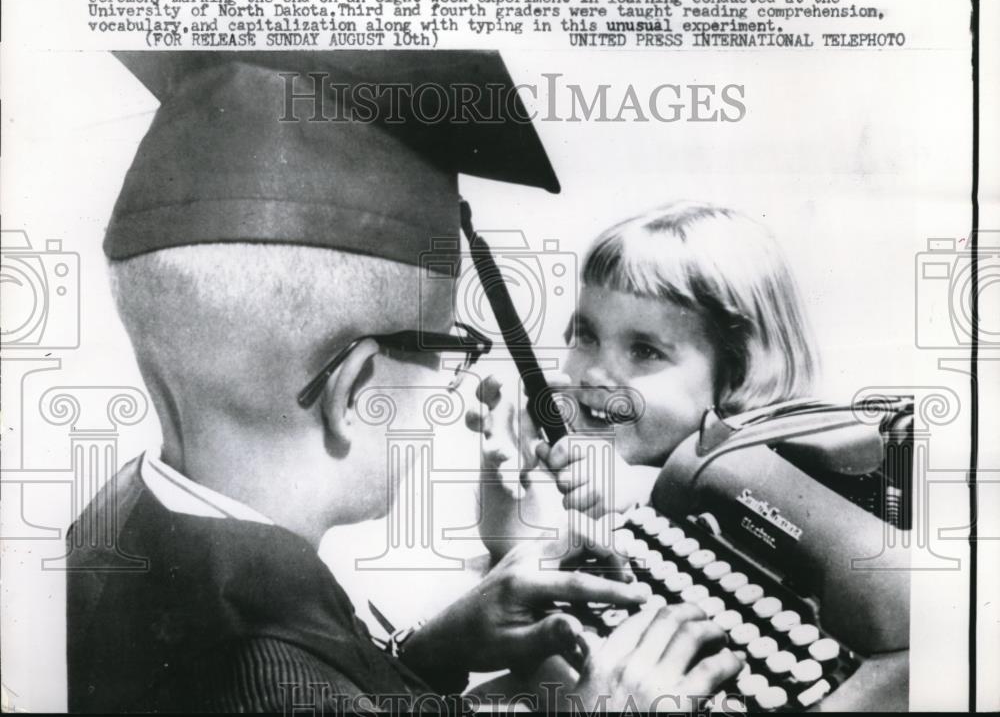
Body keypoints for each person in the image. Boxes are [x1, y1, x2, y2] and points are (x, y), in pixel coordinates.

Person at [66, 52, 740, 713]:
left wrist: (427, 654)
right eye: (450, 348)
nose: (450, 384)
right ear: (357, 390)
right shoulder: (281, 681)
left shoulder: (112, 523)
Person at [474, 201, 818, 536]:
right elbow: (515, 550)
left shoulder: (771, 479)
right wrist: (509, 468)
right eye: (587, 336)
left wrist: (649, 489)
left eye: (644, 351)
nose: (594, 373)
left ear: (737, 374)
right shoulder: (588, 461)